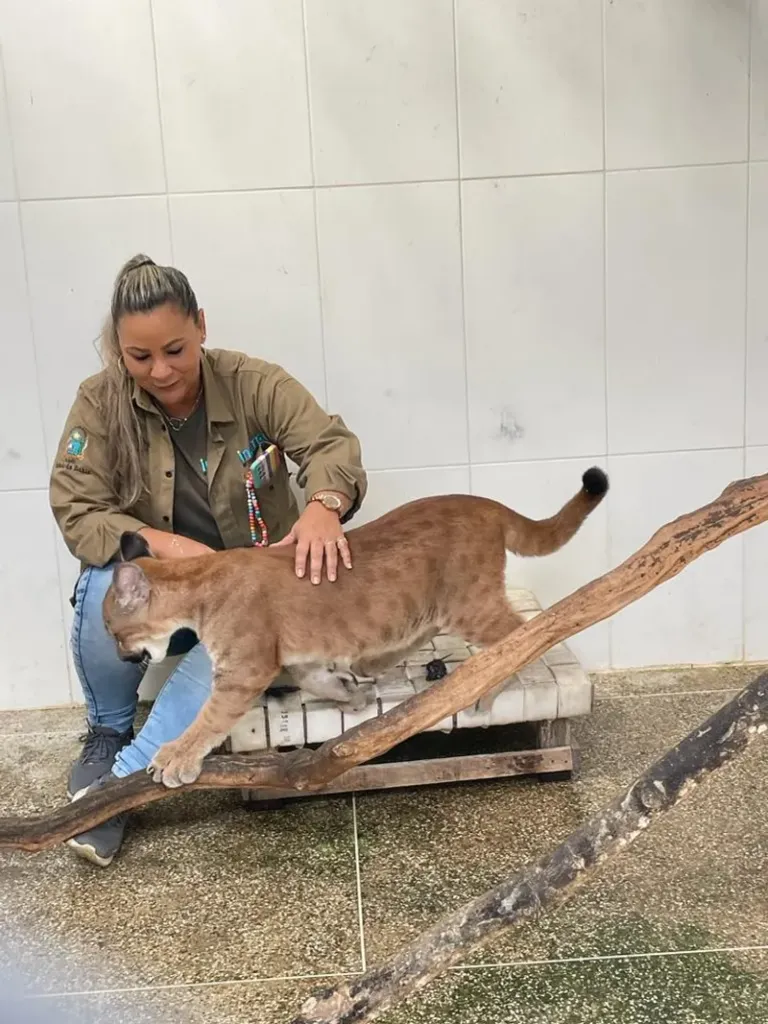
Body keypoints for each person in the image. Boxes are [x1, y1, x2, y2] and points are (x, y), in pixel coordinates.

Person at [49, 254, 367, 867]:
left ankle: (120, 789)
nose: (161, 371)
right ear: (119, 349)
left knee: (238, 633)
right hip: (169, 585)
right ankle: (109, 730)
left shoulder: (255, 382)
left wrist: (325, 504)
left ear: (201, 325)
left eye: (175, 349)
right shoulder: (98, 401)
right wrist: (165, 547)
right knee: (101, 588)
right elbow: (76, 507)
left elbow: (331, 447)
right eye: (139, 358)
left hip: (251, 598)